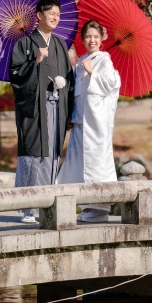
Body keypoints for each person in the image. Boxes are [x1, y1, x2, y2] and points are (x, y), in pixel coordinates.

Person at [9, 0, 74, 223]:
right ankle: (28, 208)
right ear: (39, 15)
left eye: (58, 14)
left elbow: (69, 79)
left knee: (52, 154)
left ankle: (47, 204)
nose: (56, 17)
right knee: (34, 153)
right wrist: (35, 62)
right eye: (51, 13)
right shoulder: (24, 44)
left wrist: (69, 108)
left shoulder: (60, 45)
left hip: (57, 107)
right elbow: (15, 75)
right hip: (34, 109)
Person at [57, 20, 121, 223]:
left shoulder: (104, 60)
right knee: (77, 162)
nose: (92, 40)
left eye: (95, 37)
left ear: (102, 39)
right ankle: (84, 204)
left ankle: (100, 208)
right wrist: (70, 115)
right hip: (80, 121)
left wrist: (93, 71)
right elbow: (77, 93)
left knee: (97, 161)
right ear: (83, 39)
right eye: (88, 36)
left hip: (97, 123)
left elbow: (111, 84)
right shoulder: (81, 61)